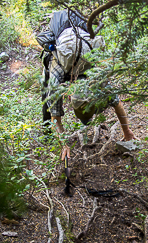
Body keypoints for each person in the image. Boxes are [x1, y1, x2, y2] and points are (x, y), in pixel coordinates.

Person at [36, 9, 137, 160]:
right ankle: (46, 132)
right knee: (48, 95)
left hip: (79, 38)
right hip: (62, 33)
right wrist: (64, 144)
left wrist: (127, 132)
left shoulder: (98, 77)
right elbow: (55, 116)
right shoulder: (57, 74)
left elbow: (117, 103)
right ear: (69, 96)